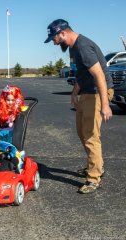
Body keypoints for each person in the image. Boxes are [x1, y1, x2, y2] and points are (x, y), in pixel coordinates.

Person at [44, 19, 114, 194]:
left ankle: (93, 178)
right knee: (82, 132)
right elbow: (82, 74)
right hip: (87, 92)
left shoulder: (82, 47)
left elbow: (99, 75)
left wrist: (105, 104)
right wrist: (74, 92)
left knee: (91, 135)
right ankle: (96, 165)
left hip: (98, 93)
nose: (53, 41)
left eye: (54, 37)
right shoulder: (73, 48)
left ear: (63, 33)